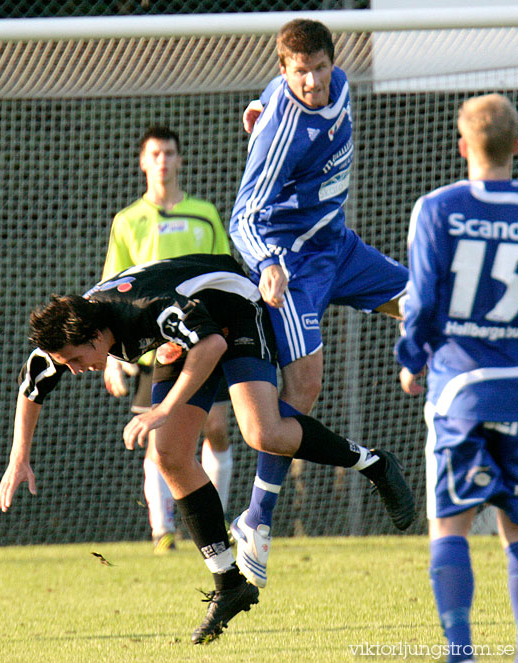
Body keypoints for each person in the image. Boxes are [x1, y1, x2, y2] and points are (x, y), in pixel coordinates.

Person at [0, 253, 415, 644]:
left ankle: (374, 464)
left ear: (96, 335)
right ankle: (229, 584)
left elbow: (212, 345)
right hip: (189, 333)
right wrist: (19, 458)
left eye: (74, 359)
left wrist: (164, 408)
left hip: (234, 310)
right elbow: (32, 386)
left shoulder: (144, 309)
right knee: (168, 455)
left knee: (262, 432)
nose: (74, 369)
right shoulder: (74, 328)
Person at [228, 17, 412, 588]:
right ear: (285, 73)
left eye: (319, 68)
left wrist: (254, 110)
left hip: (337, 244)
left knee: (424, 303)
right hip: (294, 264)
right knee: (304, 388)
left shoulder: (342, 86)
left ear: (335, 63)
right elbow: (242, 217)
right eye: (299, 72)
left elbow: (270, 102)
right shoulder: (284, 126)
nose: (311, 81)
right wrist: (267, 264)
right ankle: (257, 520)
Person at [395, 93, 518, 663]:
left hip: (460, 391)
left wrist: (412, 359)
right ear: (517, 146)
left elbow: (420, 303)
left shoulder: (438, 208)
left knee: (450, 525)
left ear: (463, 146)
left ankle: (461, 653)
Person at [102, 126, 233, 553]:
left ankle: (217, 518)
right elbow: (111, 289)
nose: (162, 160)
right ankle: (163, 531)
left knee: (216, 429)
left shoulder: (204, 212)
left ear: (180, 160)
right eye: (154, 153)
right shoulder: (127, 221)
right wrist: (111, 358)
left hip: (203, 337)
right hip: (154, 347)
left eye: (169, 153)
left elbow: (224, 272)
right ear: (142, 162)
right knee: (158, 438)